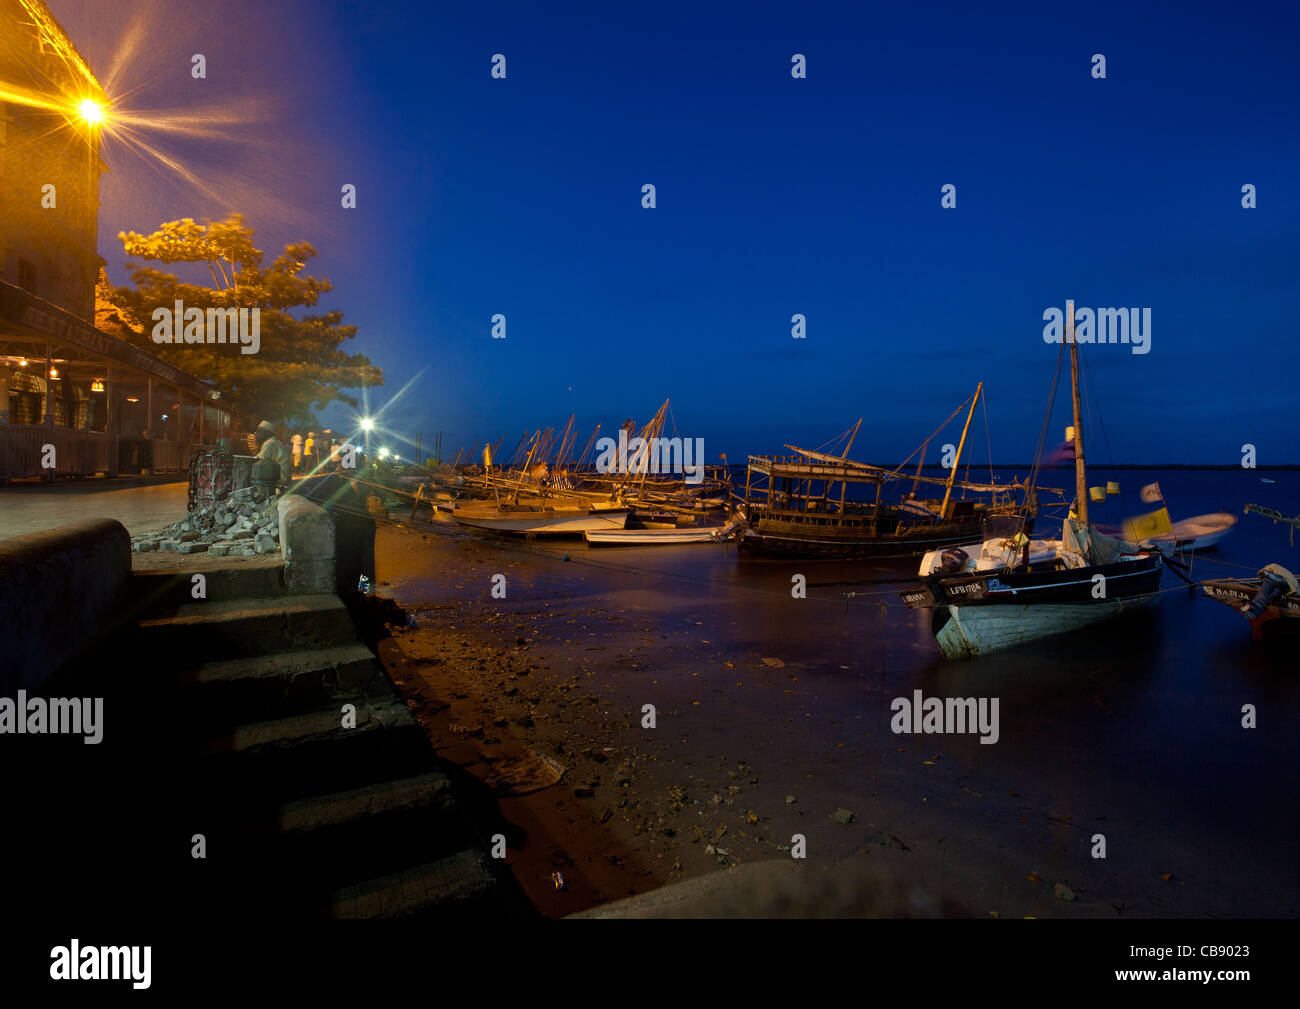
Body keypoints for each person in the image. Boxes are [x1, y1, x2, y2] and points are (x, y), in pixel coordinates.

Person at [252, 419, 292, 489]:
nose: (256, 434)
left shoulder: (269, 443)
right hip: (284, 476)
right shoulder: (273, 441)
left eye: (259, 432)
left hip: (281, 478)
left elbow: (259, 460)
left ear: (266, 433)